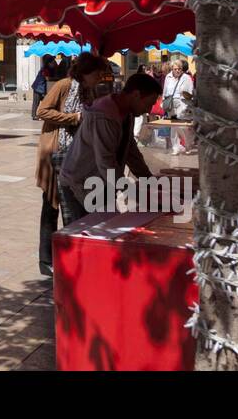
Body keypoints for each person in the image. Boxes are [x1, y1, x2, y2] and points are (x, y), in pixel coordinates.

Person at [35, 51, 108, 275]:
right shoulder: (64, 85)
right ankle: (46, 259)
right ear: (85, 73)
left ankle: (66, 255)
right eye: (96, 74)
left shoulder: (89, 90)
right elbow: (42, 111)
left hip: (75, 154)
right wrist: (73, 118)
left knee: (69, 206)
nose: (99, 78)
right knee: (51, 204)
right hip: (56, 149)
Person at [58, 72, 161, 223]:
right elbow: (106, 162)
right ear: (137, 95)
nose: (149, 110)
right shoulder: (104, 115)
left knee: (107, 227)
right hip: (80, 183)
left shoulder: (128, 113)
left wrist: (150, 182)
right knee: (91, 234)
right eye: (149, 103)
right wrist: (133, 192)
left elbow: (131, 151)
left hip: (101, 182)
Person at [31, 54, 61, 120]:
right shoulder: (45, 69)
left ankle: (39, 114)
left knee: (42, 102)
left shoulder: (48, 69)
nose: (54, 63)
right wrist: (56, 78)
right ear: (49, 63)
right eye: (52, 62)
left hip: (41, 88)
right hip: (38, 88)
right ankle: (34, 115)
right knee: (36, 102)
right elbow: (47, 79)